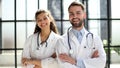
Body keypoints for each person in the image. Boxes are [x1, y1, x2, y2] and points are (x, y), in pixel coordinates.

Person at [56, 1, 106, 68]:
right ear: (69, 16)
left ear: (84, 15)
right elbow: (64, 66)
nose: (75, 16)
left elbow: (101, 62)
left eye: (78, 13)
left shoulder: (95, 39)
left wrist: (74, 61)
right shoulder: (61, 41)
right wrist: (90, 62)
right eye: (71, 14)